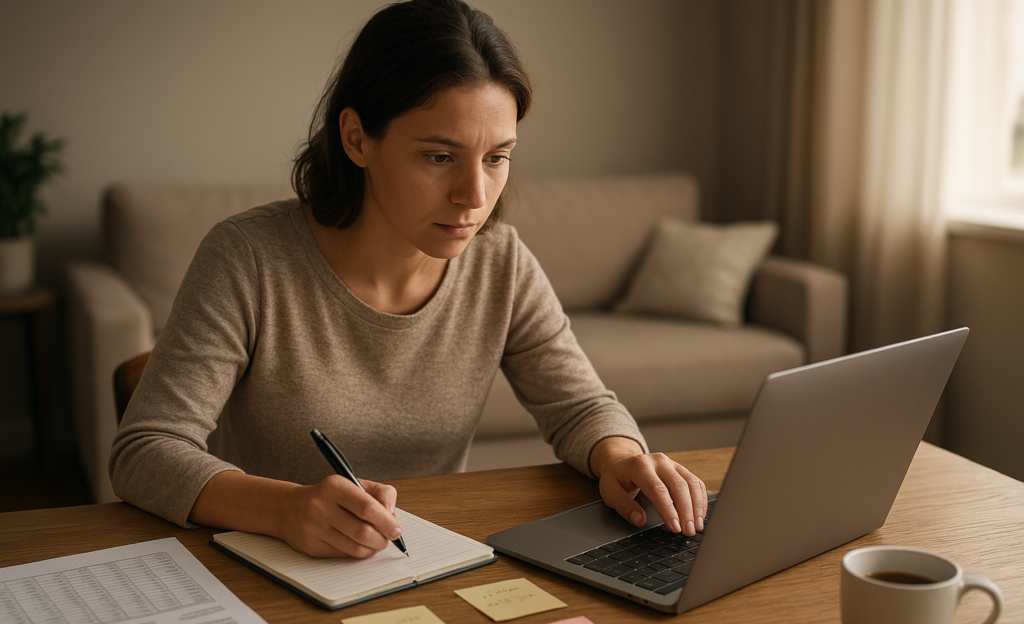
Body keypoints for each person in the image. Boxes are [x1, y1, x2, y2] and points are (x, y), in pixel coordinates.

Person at [110, 0, 707, 560]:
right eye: (440, 157)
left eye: (497, 158)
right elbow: (145, 451)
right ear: (357, 139)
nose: (474, 196)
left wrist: (621, 456)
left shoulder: (500, 261)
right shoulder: (248, 258)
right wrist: (286, 509)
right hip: (265, 564)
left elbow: (580, 407)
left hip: (426, 559)